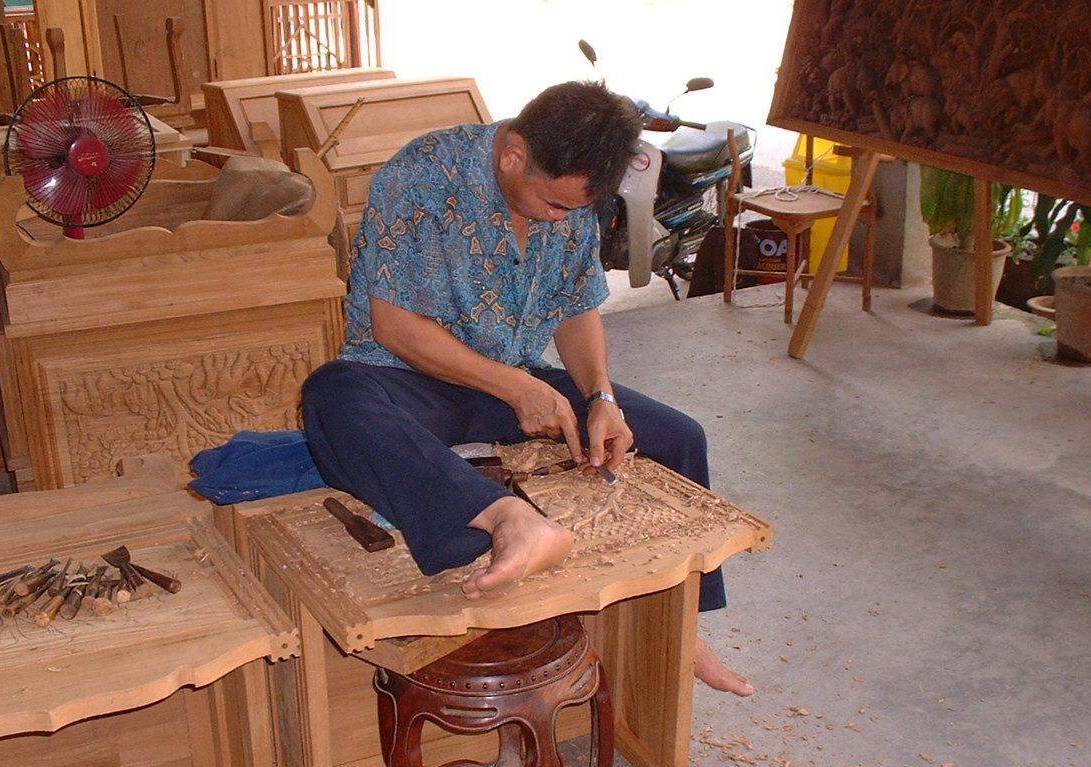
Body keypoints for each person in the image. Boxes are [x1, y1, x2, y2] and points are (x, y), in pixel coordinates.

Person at [301, 80, 753, 696]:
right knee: (333, 398)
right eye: (553, 204)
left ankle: (683, 628)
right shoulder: (419, 176)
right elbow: (394, 327)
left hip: (514, 375)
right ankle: (508, 519)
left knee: (677, 438)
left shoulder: (574, 195)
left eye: (573, 210)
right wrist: (515, 388)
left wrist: (600, 398)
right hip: (407, 378)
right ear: (513, 155)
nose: (560, 218)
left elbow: (576, 306)